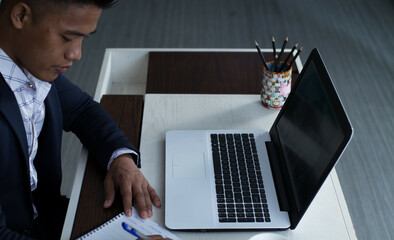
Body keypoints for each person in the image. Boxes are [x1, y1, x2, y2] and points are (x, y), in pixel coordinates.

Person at [0, 0, 162, 239]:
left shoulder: (30, 62)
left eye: (83, 38)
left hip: (45, 217)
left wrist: (121, 160)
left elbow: (82, 110)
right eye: (67, 37)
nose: (76, 54)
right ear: (21, 15)